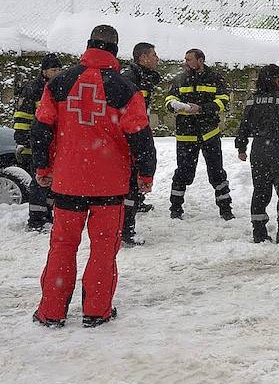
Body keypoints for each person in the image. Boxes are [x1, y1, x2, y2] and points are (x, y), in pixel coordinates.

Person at [31, 24, 156, 328]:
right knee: (102, 248)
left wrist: (43, 168)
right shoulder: (125, 88)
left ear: (88, 45)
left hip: (67, 181)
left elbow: (41, 129)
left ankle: (51, 312)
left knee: (62, 245)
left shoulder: (59, 83)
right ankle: (96, 311)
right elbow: (140, 134)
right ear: (115, 50)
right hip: (109, 185)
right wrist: (146, 174)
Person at [164, 49, 235, 221]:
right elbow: (168, 99)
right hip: (185, 134)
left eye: (189, 59)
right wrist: (173, 104)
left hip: (209, 132)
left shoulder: (214, 78)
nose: (185, 62)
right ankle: (175, 209)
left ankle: (225, 209)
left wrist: (202, 109)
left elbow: (223, 100)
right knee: (183, 173)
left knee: (217, 172)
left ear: (200, 60)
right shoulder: (180, 79)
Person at [235, 64, 279, 244]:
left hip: (258, 151)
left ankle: (259, 232)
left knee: (260, 191)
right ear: (275, 80)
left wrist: (241, 147)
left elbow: (243, 126)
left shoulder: (252, 100)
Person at [13, 53, 63, 232]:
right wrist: (25, 142)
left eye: (59, 69)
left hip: (52, 144)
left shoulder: (60, 88)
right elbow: (22, 117)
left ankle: (47, 215)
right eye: (53, 70)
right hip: (37, 143)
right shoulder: (33, 89)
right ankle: (36, 220)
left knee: (50, 181)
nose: (57, 73)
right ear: (44, 71)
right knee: (38, 182)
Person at [119, 42, 161, 246]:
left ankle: (127, 223)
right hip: (131, 136)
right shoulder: (131, 78)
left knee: (132, 184)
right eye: (154, 54)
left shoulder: (142, 77)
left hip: (136, 133)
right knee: (130, 185)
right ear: (143, 58)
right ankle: (126, 230)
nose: (157, 58)